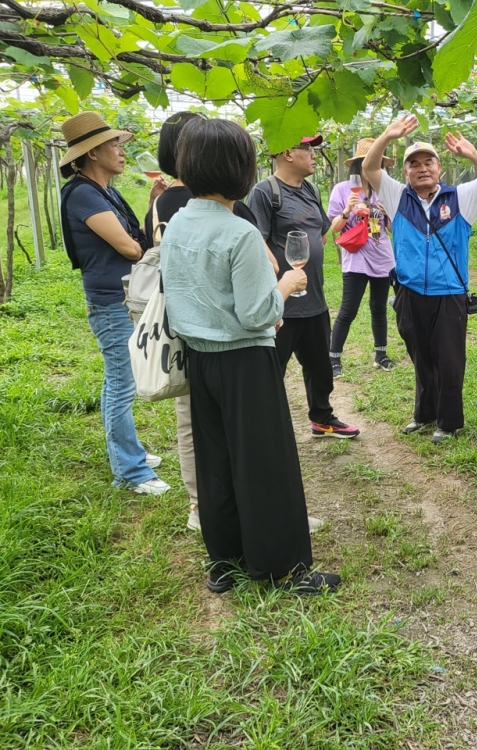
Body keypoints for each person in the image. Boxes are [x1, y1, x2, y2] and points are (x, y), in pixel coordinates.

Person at [159, 117, 340, 595]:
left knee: (216, 462)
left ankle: (225, 562)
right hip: (244, 361)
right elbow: (258, 313)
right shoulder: (238, 232)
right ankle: (284, 568)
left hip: (201, 359)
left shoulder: (177, 222)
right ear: (240, 168)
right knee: (266, 464)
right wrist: (287, 285)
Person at [361, 115, 477, 443]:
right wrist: (388, 135)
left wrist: (474, 155)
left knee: (450, 362)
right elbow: (369, 168)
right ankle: (424, 415)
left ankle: (449, 423)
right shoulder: (397, 198)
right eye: (414, 164)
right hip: (409, 293)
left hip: (449, 293)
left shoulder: (459, 198)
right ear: (405, 172)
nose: (422, 168)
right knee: (421, 358)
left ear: (439, 168)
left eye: (429, 162)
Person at [58, 111, 168, 496]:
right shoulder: (84, 193)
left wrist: (154, 203)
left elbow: (136, 235)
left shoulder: (105, 190)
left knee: (123, 379)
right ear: (91, 153)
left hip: (120, 296)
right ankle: (131, 471)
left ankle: (130, 453)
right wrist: (141, 243)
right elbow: (129, 246)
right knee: (121, 383)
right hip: (109, 302)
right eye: (114, 145)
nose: (122, 151)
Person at [247, 135, 360, 439]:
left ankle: (322, 418)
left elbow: (321, 233)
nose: (314, 155)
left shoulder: (310, 189)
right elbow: (255, 240)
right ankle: (264, 429)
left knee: (320, 368)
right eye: (308, 149)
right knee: (272, 370)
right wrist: (281, 274)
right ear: (287, 153)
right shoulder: (264, 192)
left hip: (315, 299)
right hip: (282, 303)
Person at [327, 138, 397, 377]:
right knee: (348, 309)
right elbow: (335, 228)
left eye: (377, 162)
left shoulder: (385, 190)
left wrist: (390, 216)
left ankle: (381, 354)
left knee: (379, 308)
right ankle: (333, 357)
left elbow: (394, 231)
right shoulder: (343, 189)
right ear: (358, 165)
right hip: (356, 257)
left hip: (382, 257)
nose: (373, 165)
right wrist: (347, 210)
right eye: (368, 161)